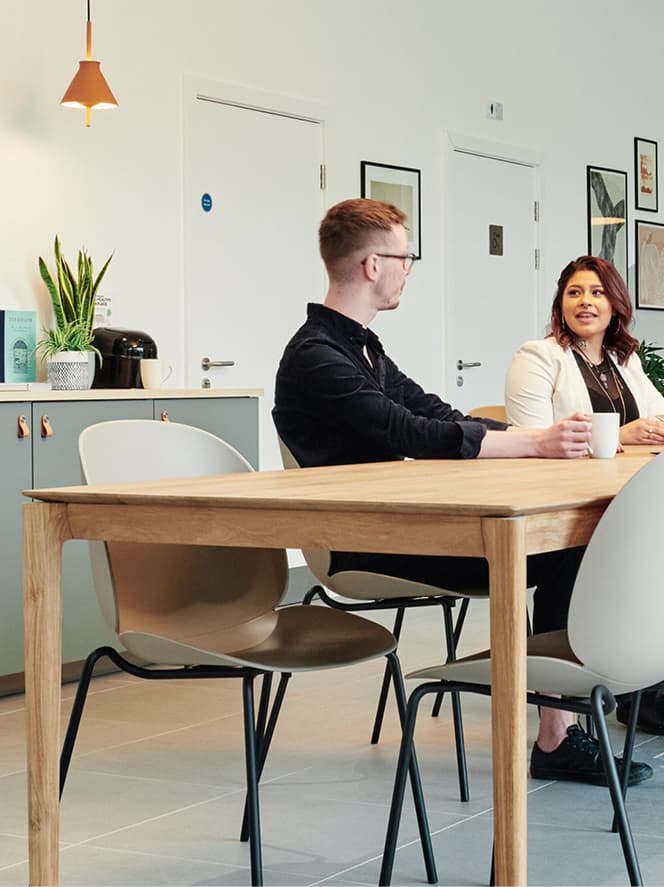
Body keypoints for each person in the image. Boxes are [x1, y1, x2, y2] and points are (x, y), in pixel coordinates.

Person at [273, 198, 652, 786]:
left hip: (399, 527)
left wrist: (534, 439)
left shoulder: (362, 347)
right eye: (405, 257)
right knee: (571, 547)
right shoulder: (317, 356)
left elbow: (435, 412)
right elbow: (410, 432)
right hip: (366, 545)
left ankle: (599, 702)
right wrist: (534, 443)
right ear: (373, 265)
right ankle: (561, 732)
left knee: (576, 542)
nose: (408, 270)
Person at [505, 254, 664, 734]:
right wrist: (621, 436)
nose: (585, 302)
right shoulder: (538, 357)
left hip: (621, 502)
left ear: (615, 305)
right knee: (582, 560)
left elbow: (657, 416)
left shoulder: (623, 361)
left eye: (597, 292)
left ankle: (645, 687)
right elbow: (535, 440)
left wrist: (647, 430)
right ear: (560, 304)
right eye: (574, 292)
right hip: (558, 510)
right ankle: (561, 721)